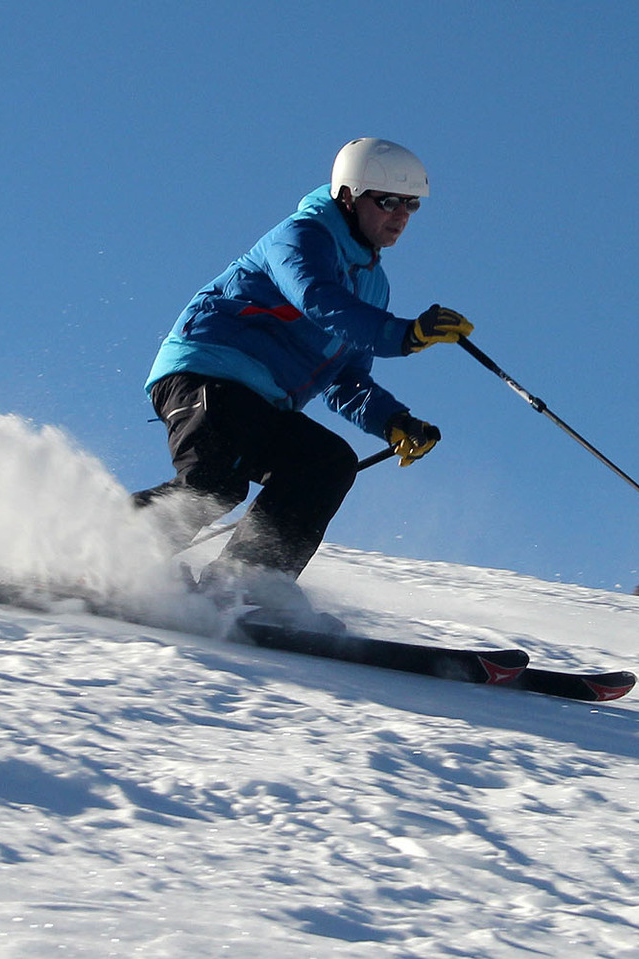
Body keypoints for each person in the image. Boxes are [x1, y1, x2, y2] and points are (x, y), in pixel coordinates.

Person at [133, 137, 473, 611]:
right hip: (208, 372)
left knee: (326, 463)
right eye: (388, 201)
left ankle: (242, 584)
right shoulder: (302, 236)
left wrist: (394, 421)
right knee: (215, 481)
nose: (400, 215)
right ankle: (106, 550)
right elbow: (318, 301)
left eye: (411, 204)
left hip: (264, 403)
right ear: (349, 196)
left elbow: (346, 377)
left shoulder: (374, 284)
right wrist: (406, 334)